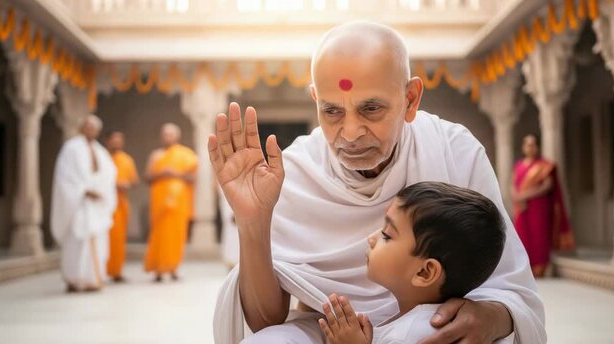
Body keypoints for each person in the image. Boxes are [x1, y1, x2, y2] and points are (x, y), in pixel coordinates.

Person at [212, 21, 545, 344]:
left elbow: (509, 286)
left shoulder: (454, 152)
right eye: (332, 111)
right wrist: (253, 221)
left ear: (411, 99)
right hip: (327, 330)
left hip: (429, 325)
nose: (351, 132)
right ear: (316, 100)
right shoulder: (295, 172)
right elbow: (264, 321)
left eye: (371, 108)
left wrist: (491, 317)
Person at [318, 182, 506, 344]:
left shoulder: (412, 336)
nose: (371, 238)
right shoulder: (415, 323)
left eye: (387, 235)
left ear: (424, 272)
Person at [51, 115, 117, 293]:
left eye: (94, 127)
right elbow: (65, 176)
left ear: (98, 131)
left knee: (98, 241)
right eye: (87, 126)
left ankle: (93, 279)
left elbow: (109, 176)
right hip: (78, 203)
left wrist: (100, 192)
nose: (90, 129)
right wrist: (84, 190)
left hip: (95, 206)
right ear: (82, 127)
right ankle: (74, 279)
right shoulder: (71, 148)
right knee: (77, 242)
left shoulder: (101, 152)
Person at [511, 134, 575, 278]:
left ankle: (540, 270)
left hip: (538, 206)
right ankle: (525, 269)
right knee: (521, 236)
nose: (530, 147)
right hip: (522, 207)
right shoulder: (519, 166)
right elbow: (513, 185)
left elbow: (547, 186)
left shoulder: (545, 165)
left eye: (533, 144)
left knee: (539, 235)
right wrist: (516, 196)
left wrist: (524, 196)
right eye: (527, 144)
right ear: (523, 147)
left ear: (537, 147)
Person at [144, 123, 198, 282]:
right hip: (159, 202)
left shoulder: (186, 154)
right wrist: (162, 173)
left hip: (179, 202)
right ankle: (158, 270)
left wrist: (175, 173)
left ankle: (173, 267)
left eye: (170, 134)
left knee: (177, 234)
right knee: (159, 234)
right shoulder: (156, 155)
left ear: (177, 136)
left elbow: (192, 178)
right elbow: (147, 177)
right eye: (164, 134)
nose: (167, 137)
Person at [105, 131, 139, 282]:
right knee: (104, 237)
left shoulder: (126, 159)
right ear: (108, 141)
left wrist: (126, 185)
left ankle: (116, 271)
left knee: (118, 238)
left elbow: (134, 181)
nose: (117, 143)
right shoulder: (102, 158)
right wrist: (113, 184)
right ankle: (102, 270)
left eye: (120, 140)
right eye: (114, 140)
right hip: (104, 203)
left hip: (121, 203)